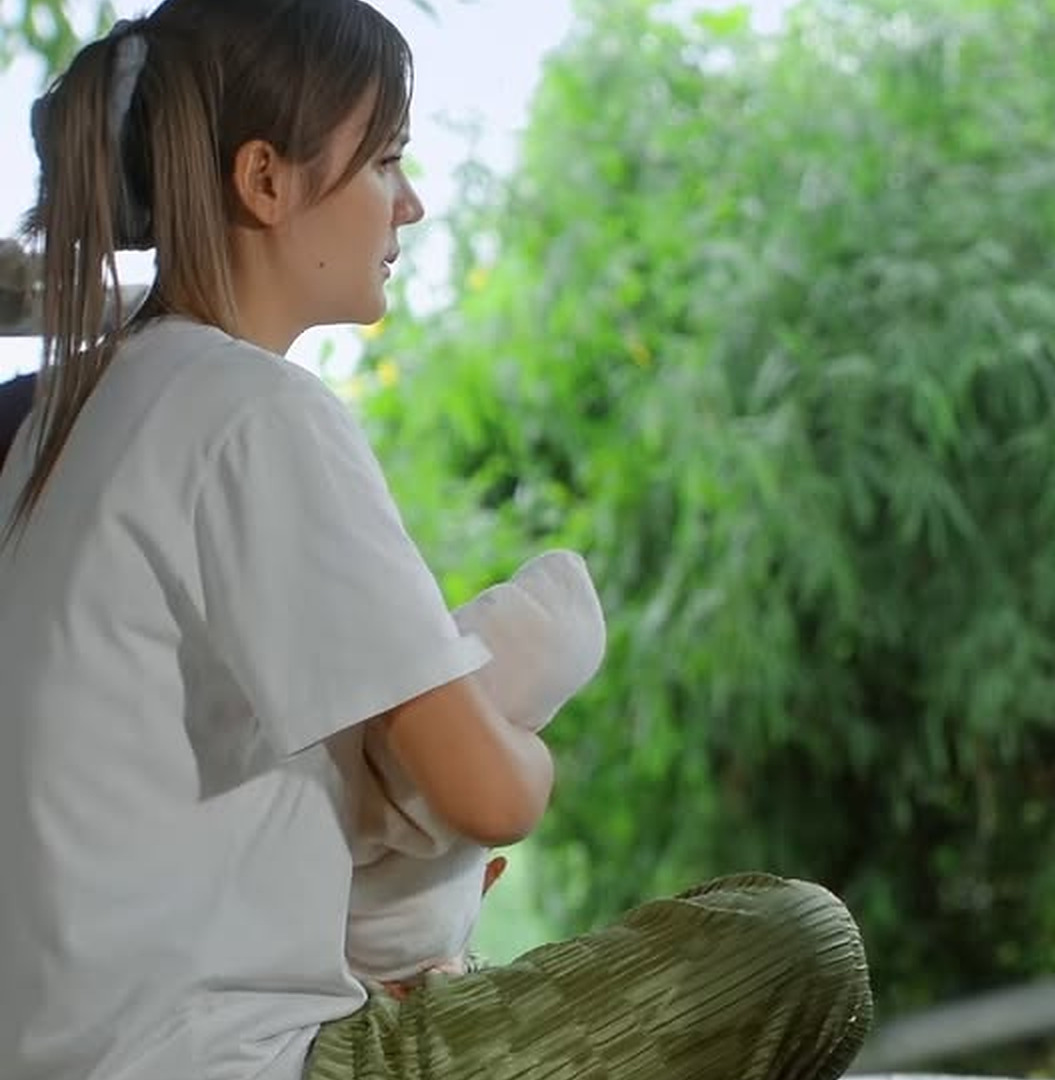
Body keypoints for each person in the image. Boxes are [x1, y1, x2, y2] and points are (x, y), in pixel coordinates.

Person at [0, 4, 872, 1080]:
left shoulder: (62, 417)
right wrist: (520, 746)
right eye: (385, 162)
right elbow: (490, 797)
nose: (409, 203)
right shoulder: (253, 413)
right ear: (265, 180)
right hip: (239, 1064)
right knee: (798, 942)